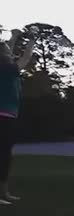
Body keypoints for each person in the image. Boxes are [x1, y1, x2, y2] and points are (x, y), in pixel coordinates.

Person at [0, 28, 36, 205]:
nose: (10, 50)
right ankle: (2, 194)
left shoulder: (4, 65)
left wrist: (14, 37)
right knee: (4, 155)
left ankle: (4, 193)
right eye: (7, 50)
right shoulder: (8, 67)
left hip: (6, 116)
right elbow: (25, 58)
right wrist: (32, 39)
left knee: (5, 155)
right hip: (4, 117)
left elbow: (6, 50)